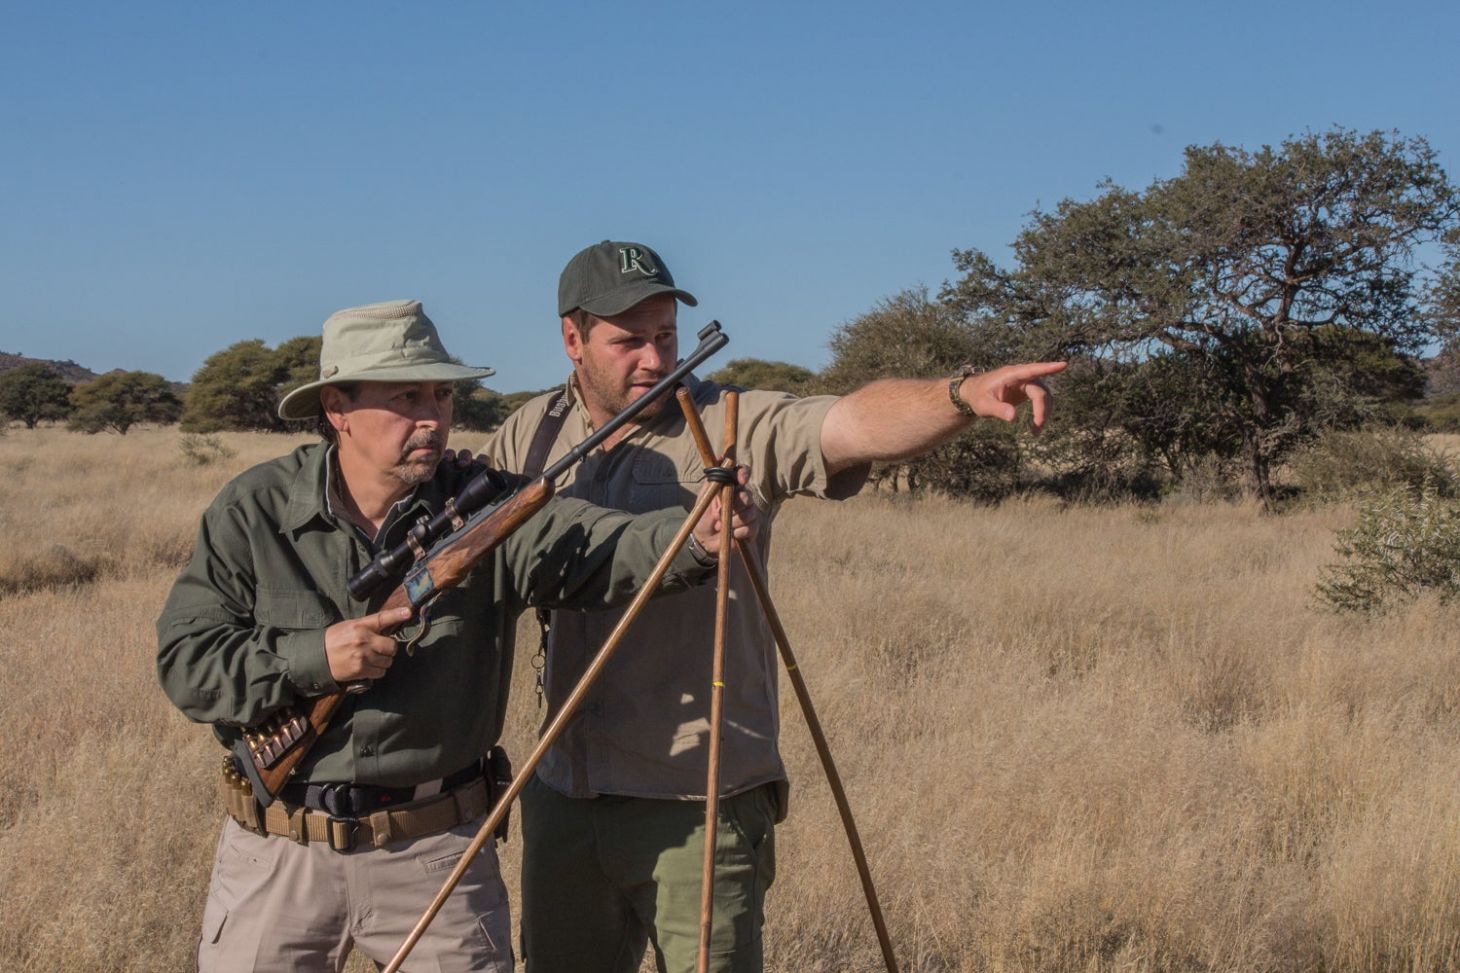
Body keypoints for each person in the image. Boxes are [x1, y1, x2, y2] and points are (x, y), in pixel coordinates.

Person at [478, 241, 1065, 973]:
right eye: (629, 341)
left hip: (699, 796)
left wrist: (958, 395)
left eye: (666, 336)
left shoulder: (734, 423)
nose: (657, 360)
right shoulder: (527, 435)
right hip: (564, 791)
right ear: (572, 339)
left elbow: (849, 422)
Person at [156, 298, 756, 973]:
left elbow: (592, 544)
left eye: (441, 394)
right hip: (278, 849)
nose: (431, 416)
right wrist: (314, 658)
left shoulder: (484, 504)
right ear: (336, 408)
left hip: (436, 854)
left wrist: (693, 537)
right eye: (405, 395)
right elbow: (187, 661)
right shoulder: (255, 508)